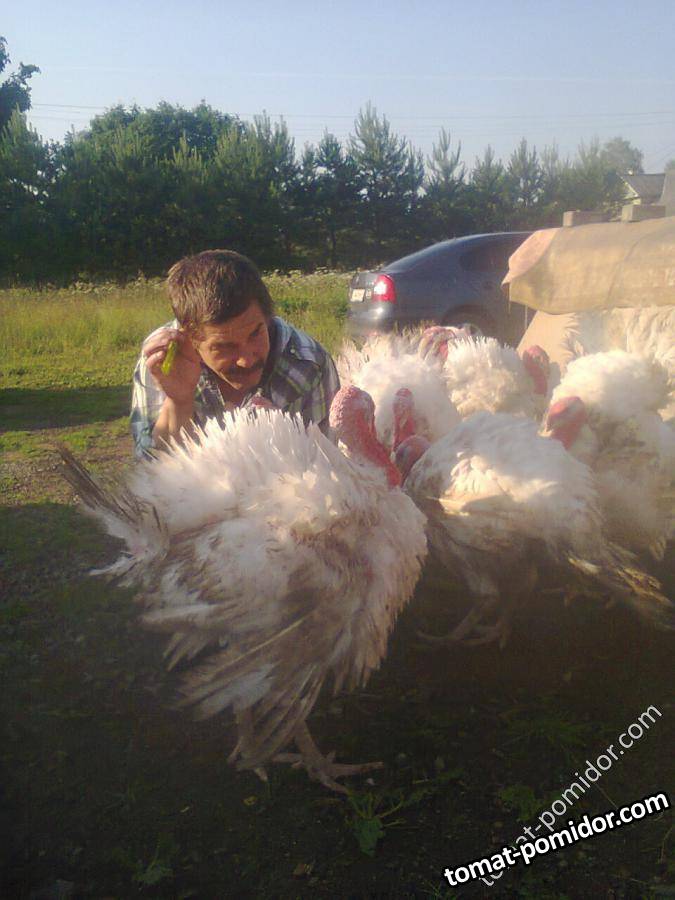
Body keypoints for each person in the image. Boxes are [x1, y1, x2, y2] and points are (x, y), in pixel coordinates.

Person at [130, 249, 340, 457]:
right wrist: (179, 402)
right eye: (224, 346)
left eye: (255, 334)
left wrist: (283, 437)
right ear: (190, 338)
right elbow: (153, 466)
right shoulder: (163, 361)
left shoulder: (309, 364)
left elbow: (325, 463)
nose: (246, 360)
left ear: (268, 318)